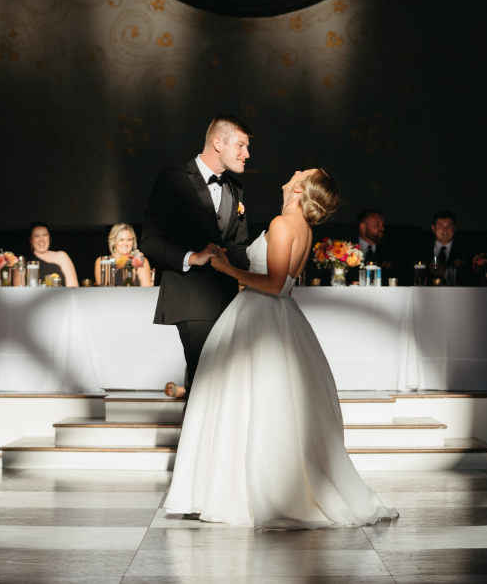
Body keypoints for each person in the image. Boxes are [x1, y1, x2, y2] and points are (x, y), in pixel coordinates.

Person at [164, 168, 397, 528]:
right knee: (267, 402)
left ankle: (241, 491)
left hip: (260, 314)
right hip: (281, 315)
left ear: (301, 188)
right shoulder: (303, 227)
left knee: (244, 399)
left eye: (301, 172)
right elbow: (285, 285)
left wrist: (226, 269)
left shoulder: (282, 223)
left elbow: (274, 284)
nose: (293, 172)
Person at [141, 115, 252, 400]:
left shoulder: (235, 189)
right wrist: (192, 257)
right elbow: (150, 241)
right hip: (191, 301)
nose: (247, 154)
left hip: (230, 303)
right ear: (218, 142)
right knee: (207, 382)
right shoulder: (173, 179)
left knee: (221, 384)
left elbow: (238, 248)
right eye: (240, 145)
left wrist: (263, 274)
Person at [428, 209, 475, 286]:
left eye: (449, 226)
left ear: (454, 228)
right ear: (433, 228)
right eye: (440, 225)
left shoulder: (466, 252)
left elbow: (471, 279)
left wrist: (446, 274)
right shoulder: (421, 251)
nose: (445, 230)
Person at [26, 222, 78, 287]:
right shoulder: (24, 261)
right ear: (30, 240)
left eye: (45, 235)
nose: (42, 239)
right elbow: (19, 290)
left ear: (49, 237)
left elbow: (73, 287)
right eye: (37, 236)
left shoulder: (61, 256)